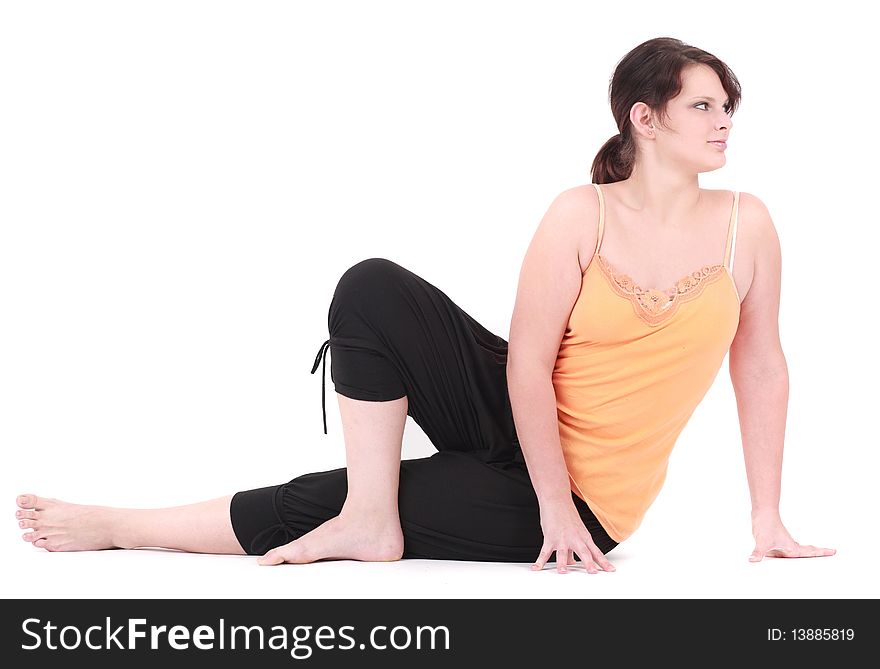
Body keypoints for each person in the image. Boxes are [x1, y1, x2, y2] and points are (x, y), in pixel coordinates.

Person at [15, 37, 835, 574]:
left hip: (590, 503)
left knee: (311, 498)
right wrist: (548, 493)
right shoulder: (579, 212)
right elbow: (529, 363)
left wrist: (766, 517)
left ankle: (120, 525)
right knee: (370, 284)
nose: (724, 121)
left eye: (728, 107)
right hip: (520, 425)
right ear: (644, 119)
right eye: (704, 105)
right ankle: (372, 514)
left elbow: (760, 365)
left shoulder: (746, 225)